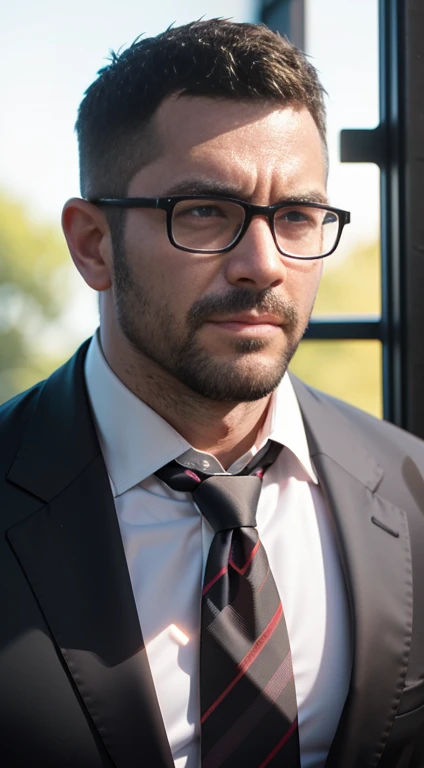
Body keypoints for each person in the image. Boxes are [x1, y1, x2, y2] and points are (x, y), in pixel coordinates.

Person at [1, 18, 424, 768]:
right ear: (92, 244)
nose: (262, 265)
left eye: (296, 216)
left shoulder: (412, 489)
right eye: (204, 212)